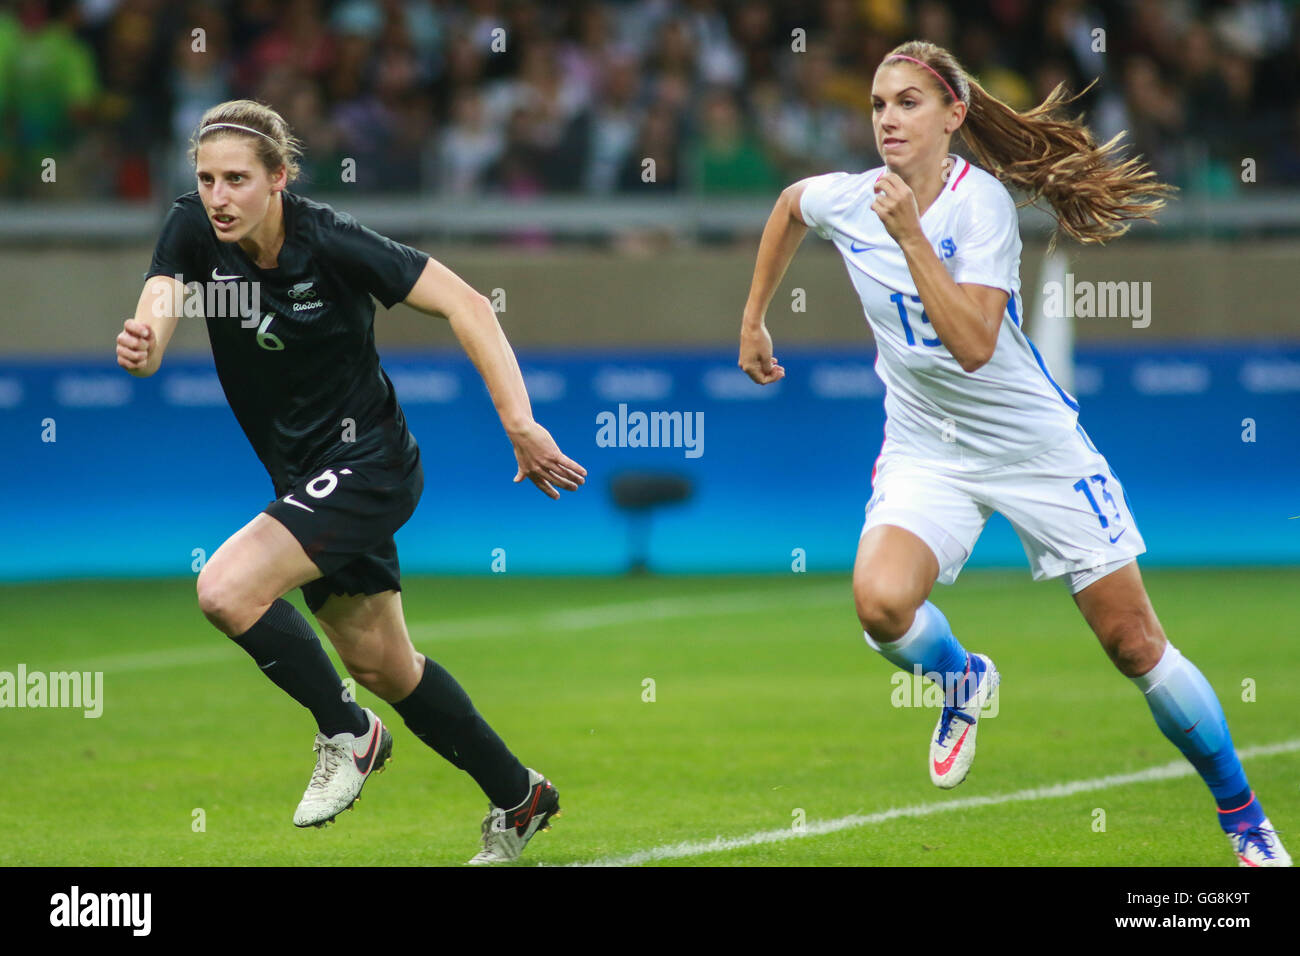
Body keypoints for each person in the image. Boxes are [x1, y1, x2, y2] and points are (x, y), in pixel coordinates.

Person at [738, 41, 1289, 867]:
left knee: (1134, 645)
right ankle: (962, 680)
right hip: (929, 450)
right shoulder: (851, 199)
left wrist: (910, 238)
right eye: (880, 104)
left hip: (1035, 449)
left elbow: (970, 344)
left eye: (909, 103)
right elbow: (788, 206)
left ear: (954, 116)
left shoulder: (979, 205)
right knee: (880, 606)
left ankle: (1244, 818)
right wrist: (754, 318)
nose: (888, 118)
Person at [115, 99, 586, 865]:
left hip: (369, 463)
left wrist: (520, 421)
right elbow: (165, 291)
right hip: (305, 478)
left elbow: (467, 304)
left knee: (227, 590)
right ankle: (519, 795)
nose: (218, 196)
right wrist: (146, 339)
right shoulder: (195, 228)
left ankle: (347, 730)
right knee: (384, 666)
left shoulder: (330, 240)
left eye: (237, 178)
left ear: (279, 179)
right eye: (207, 179)